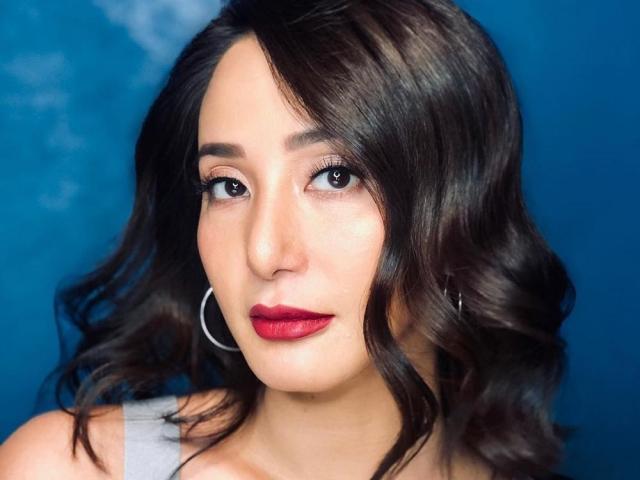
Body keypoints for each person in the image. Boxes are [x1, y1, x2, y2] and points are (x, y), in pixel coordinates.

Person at [0, 0, 575, 479]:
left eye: (336, 176)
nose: (264, 252)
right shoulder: (66, 469)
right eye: (227, 186)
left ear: (460, 210)